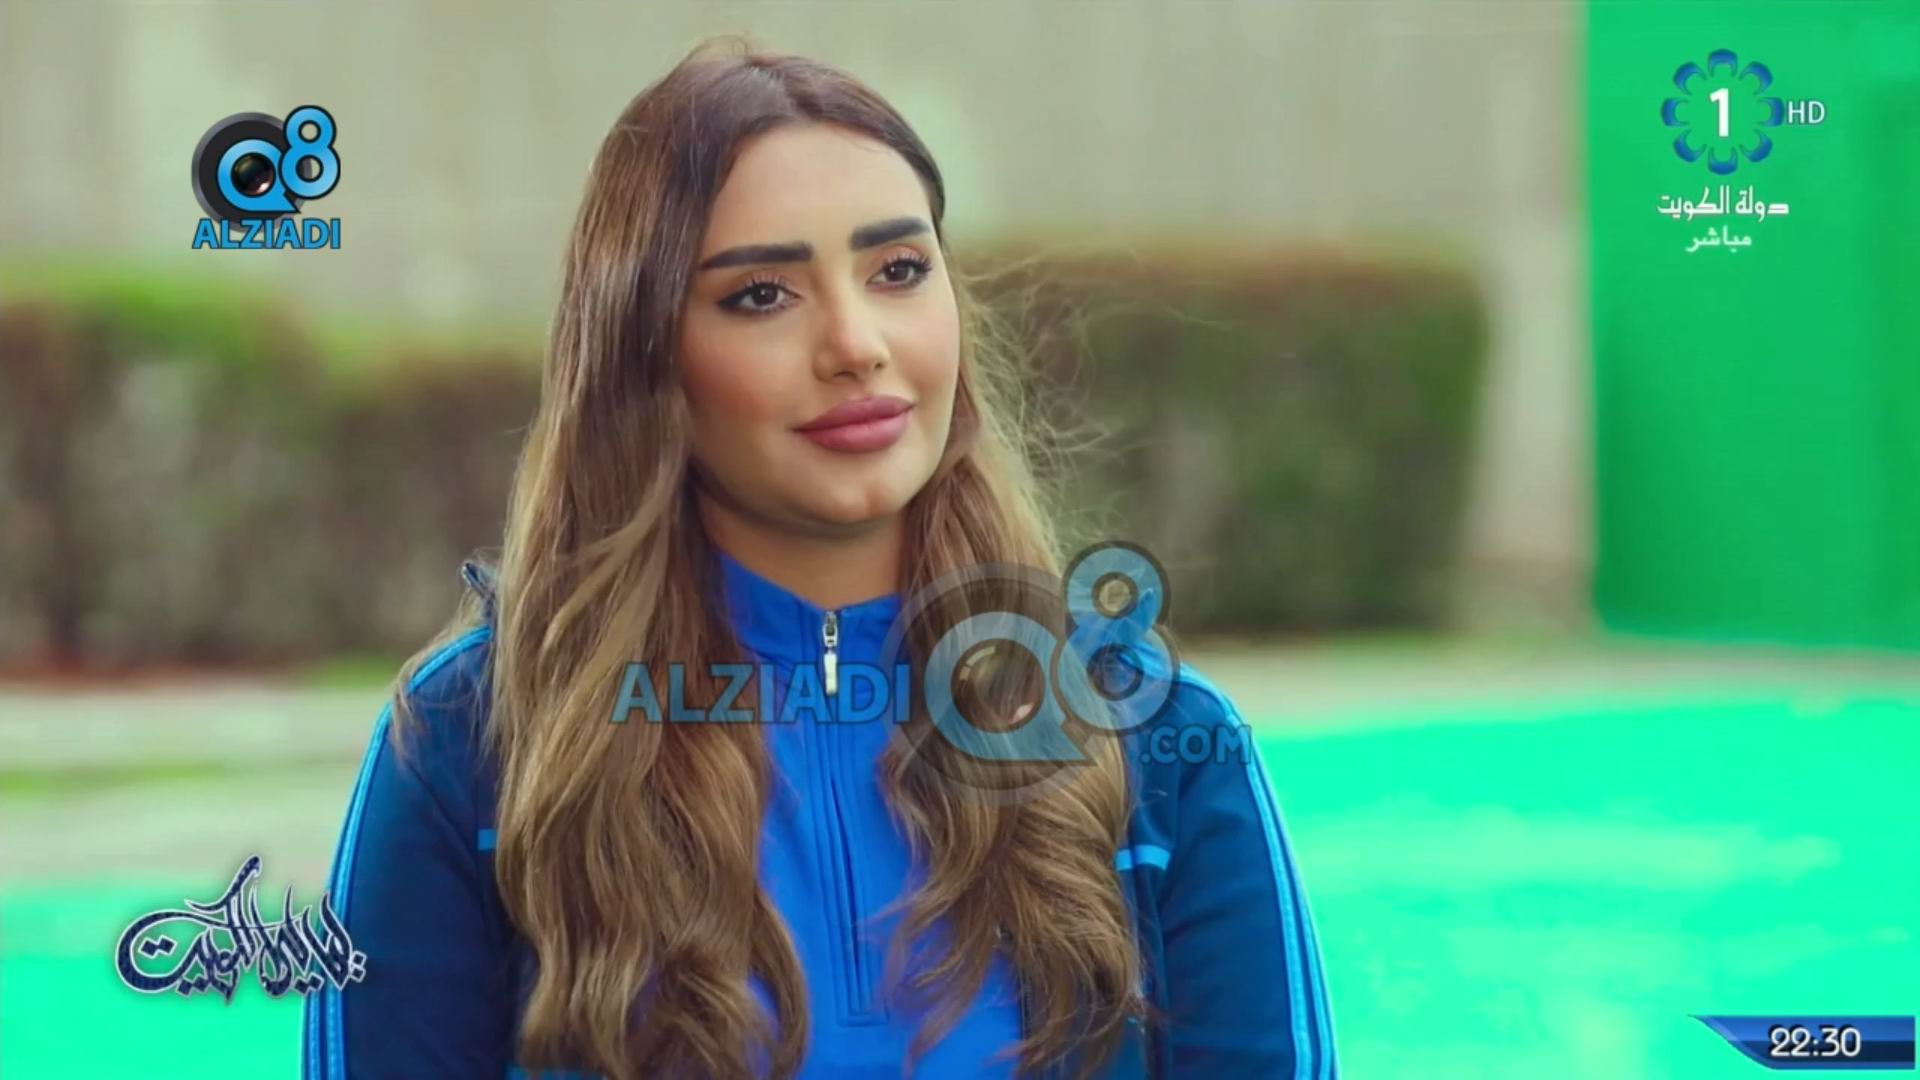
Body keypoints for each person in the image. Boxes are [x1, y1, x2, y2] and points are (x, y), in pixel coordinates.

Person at [301, 35, 1335, 1080]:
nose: (855, 344)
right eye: (761, 294)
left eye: (898, 272)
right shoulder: (469, 742)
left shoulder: (1156, 738)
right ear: (643, 355)